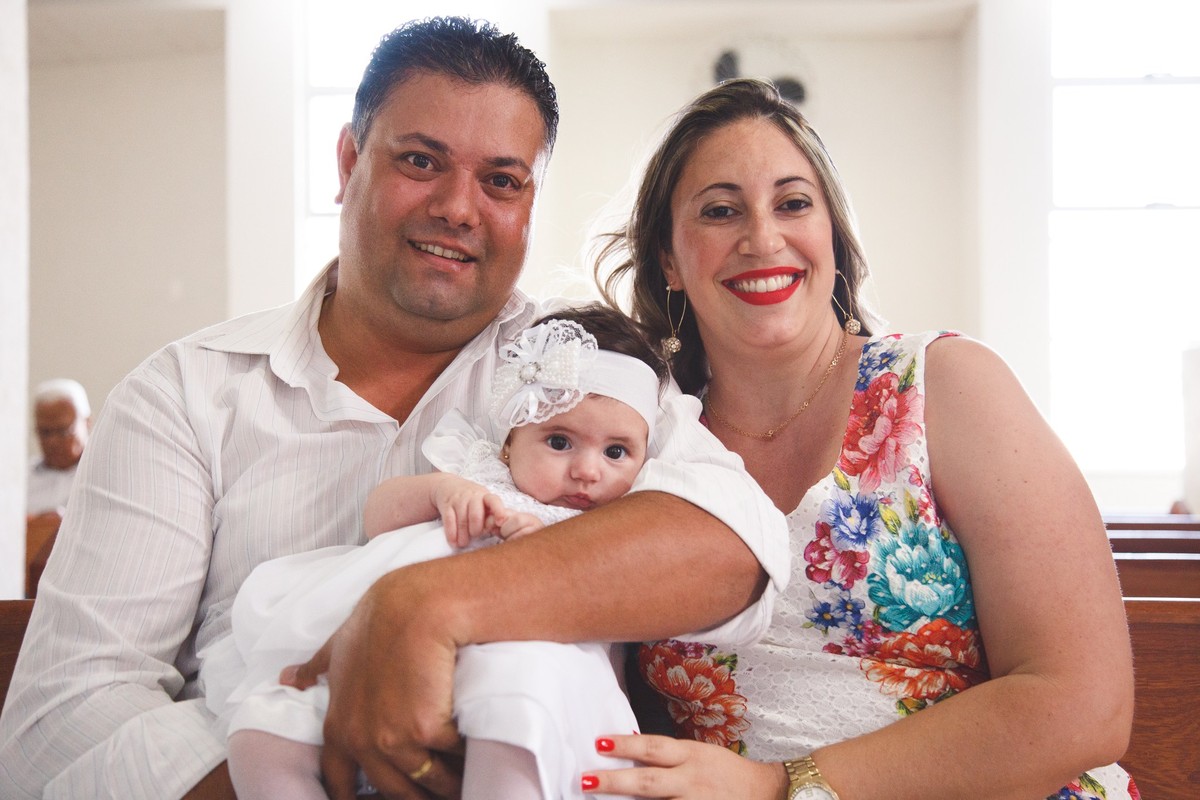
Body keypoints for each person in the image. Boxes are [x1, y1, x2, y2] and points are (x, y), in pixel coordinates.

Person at [0, 19, 788, 800]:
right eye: (421, 161)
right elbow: (58, 729)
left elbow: (735, 546)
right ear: (348, 161)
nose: (458, 207)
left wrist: (422, 607)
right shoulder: (185, 394)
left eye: (502, 181)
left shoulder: (592, 368)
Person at [581, 78, 1137, 800]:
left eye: (792, 203)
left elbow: (1083, 705)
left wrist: (781, 788)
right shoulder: (638, 443)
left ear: (833, 238)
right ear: (667, 261)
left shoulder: (947, 387)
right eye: (720, 211)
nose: (762, 237)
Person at [203, 306, 710, 800]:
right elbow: (378, 520)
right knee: (261, 735)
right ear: (510, 442)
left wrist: (552, 558)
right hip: (376, 645)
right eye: (559, 441)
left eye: (616, 452)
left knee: (516, 727)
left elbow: (613, 647)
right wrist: (440, 493)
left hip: (520, 666)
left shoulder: (620, 525)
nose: (587, 471)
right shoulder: (475, 475)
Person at [25, 378, 91, 596]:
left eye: (63, 431)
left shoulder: (102, 473)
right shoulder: (19, 481)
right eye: (45, 432)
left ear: (87, 423)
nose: (52, 442)